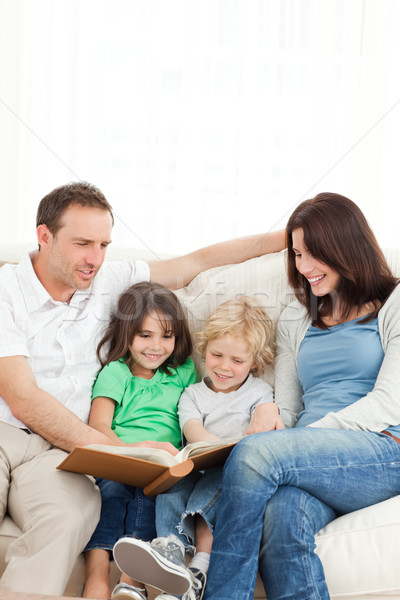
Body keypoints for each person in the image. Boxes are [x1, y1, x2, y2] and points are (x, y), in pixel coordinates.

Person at [0, 180, 285, 595]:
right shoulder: (5, 290)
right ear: (44, 237)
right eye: (83, 243)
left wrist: (290, 235)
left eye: (103, 244)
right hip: (7, 433)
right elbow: (22, 399)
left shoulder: (107, 278)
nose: (95, 258)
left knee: (68, 517)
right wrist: (118, 450)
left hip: (58, 455)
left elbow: (195, 262)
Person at [199, 192, 400, 600]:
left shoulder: (394, 304)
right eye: (297, 254)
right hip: (308, 457)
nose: (303, 267)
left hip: (382, 449)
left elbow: (389, 402)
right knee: (282, 517)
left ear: (346, 247)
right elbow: (290, 410)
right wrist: (271, 409)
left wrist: (302, 440)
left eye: (314, 254)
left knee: (256, 454)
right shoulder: (296, 317)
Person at [113, 296, 282, 600]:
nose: (225, 367)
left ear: (255, 362)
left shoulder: (260, 391)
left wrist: (255, 426)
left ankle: (199, 567)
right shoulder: (192, 394)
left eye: (238, 361)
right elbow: (193, 431)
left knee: (211, 489)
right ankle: (171, 550)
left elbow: (265, 429)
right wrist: (206, 447)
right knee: (172, 489)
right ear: (205, 350)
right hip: (197, 461)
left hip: (233, 470)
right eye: (217, 355)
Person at [82, 281, 197, 600]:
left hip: (160, 469)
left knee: (151, 502)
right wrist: (134, 452)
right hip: (118, 461)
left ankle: (131, 579)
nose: (156, 346)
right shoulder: (116, 372)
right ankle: (98, 572)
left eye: (166, 336)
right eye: (145, 335)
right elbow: (99, 427)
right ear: (126, 333)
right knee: (112, 495)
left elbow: (198, 415)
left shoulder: (183, 372)